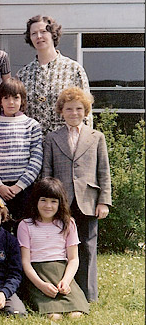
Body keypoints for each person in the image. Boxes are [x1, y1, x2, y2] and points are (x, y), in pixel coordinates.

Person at [42, 87, 111, 302]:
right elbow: (47, 173)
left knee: (88, 247)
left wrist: (104, 202)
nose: (74, 113)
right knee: (61, 248)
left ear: (86, 111)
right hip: (61, 202)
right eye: (69, 109)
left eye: (79, 109)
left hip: (88, 201)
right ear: (61, 111)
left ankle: (89, 295)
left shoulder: (96, 137)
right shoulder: (52, 138)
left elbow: (104, 171)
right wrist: (46, 202)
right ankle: (64, 290)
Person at [17, 177, 90, 319]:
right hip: (38, 274)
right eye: (43, 200)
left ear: (60, 203)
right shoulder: (26, 225)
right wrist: (41, 285)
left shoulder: (68, 224)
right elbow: (25, 262)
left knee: (76, 315)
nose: (48, 206)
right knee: (54, 317)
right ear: (36, 201)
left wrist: (66, 281)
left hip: (63, 273)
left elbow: (74, 259)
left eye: (53, 201)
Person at [17, 15, 92, 136]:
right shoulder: (23, 74)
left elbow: (86, 111)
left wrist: (85, 143)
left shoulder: (73, 69)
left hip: (66, 143)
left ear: (53, 34)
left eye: (43, 31)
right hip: (33, 144)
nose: (39, 36)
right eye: (34, 33)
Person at [0, 78, 43, 232]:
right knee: (1, 229)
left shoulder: (31, 125)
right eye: (6, 98)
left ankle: (23, 257)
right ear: (0, 100)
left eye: (15, 97)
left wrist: (19, 186)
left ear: (22, 100)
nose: (11, 102)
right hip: (0, 188)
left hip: (24, 188)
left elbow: (36, 159)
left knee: (24, 229)